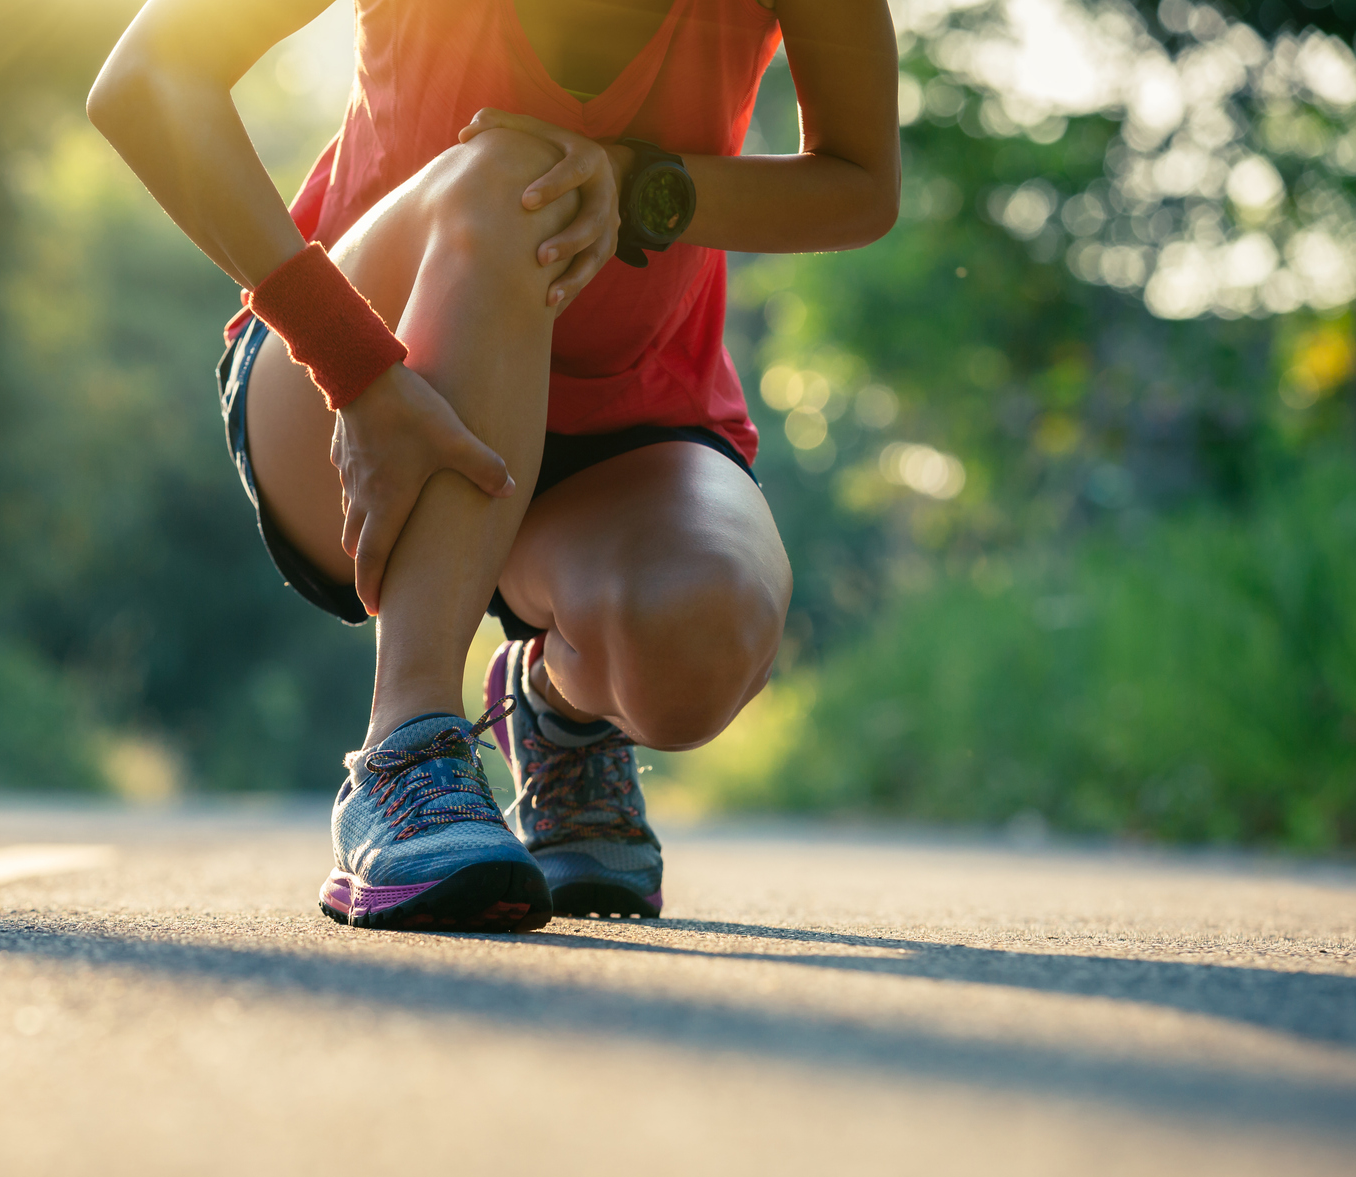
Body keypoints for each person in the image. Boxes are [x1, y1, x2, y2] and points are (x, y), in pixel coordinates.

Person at [89, 0, 898, 931]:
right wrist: (352, 364)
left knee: (699, 637)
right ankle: (404, 751)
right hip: (356, 377)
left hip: (628, 415)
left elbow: (859, 184)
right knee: (519, 174)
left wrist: (637, 184)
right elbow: (146, 78)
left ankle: (556, 713)